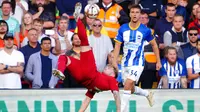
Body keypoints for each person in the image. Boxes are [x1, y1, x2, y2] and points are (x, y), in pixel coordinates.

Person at [57, 18, 120, 112]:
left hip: (89, 73)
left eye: (110, 68)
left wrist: (119, 110)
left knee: (84, 42)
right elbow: (86, 100)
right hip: (81, 77)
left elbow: (116, 95)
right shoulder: (94, 89)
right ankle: (60, 71)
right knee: (64, 57)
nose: (107, 66)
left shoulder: (111, 80)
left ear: (113, 74)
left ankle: (78, 19)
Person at [112, 5, 162, 112]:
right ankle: (147, 93)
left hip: (138, 63)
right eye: (133, 12)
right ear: (130, 14)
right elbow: (117, 46)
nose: (135, 14)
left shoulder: (145, 30)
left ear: (140, 15)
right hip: (125, 62)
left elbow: (154, 45)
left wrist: (158, 61)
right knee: (130, 88)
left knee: (129, 83)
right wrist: (114, 61)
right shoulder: (123, 28)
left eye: (137, 12)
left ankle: (120, 110)